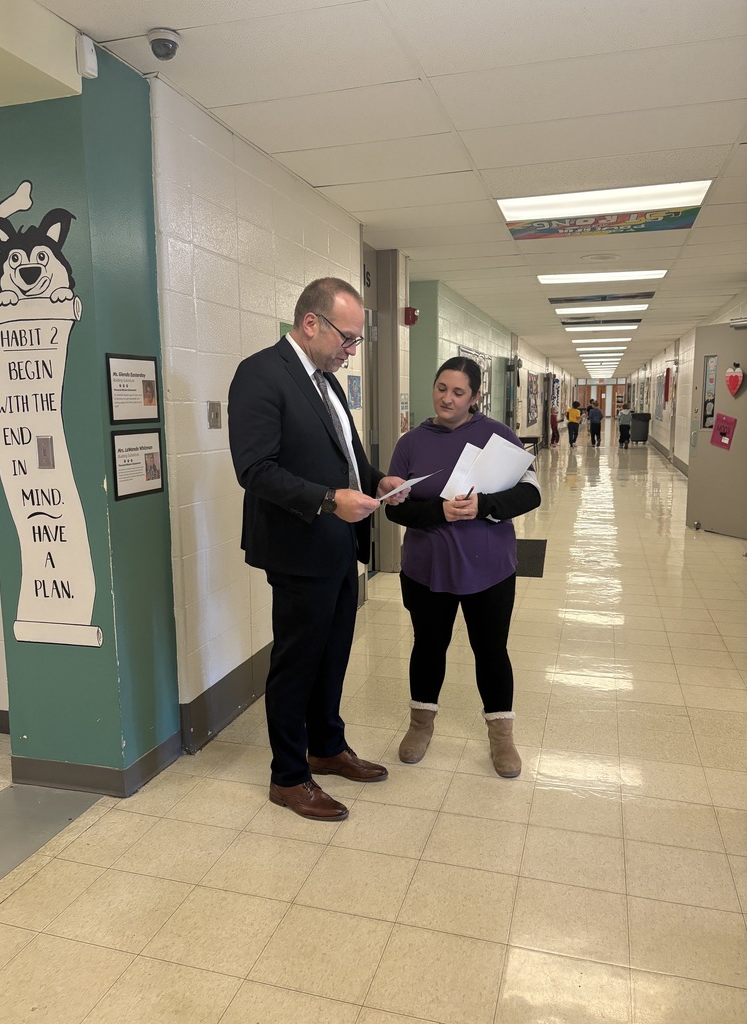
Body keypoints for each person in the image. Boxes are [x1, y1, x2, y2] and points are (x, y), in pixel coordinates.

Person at [228, 278, 408, 822]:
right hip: (298, 547)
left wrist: (376, 481)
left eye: (355, 341)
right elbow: (254, 470)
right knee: (297, 661)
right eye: (347, 338)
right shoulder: (260, 374)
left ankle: (326, 746)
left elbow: (345, 456)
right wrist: (330, 501)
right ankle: (288, 777)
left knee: (333, 655)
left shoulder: (327, 380)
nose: (350, 350)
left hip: (338, 544)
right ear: (312, 324)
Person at [385, 357, 541, 778]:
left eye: (458, 392)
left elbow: (531, 494)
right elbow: (395, 511)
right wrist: (439, 512)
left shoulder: (498, 436)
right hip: (426, 569)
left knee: (490, 651)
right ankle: (421, 725)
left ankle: (501, 736)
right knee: (427, 647)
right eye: (441, 388)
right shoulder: (411, 442)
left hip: (488, 569)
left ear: (474, 397)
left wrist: (484, 506)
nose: (446, 398)